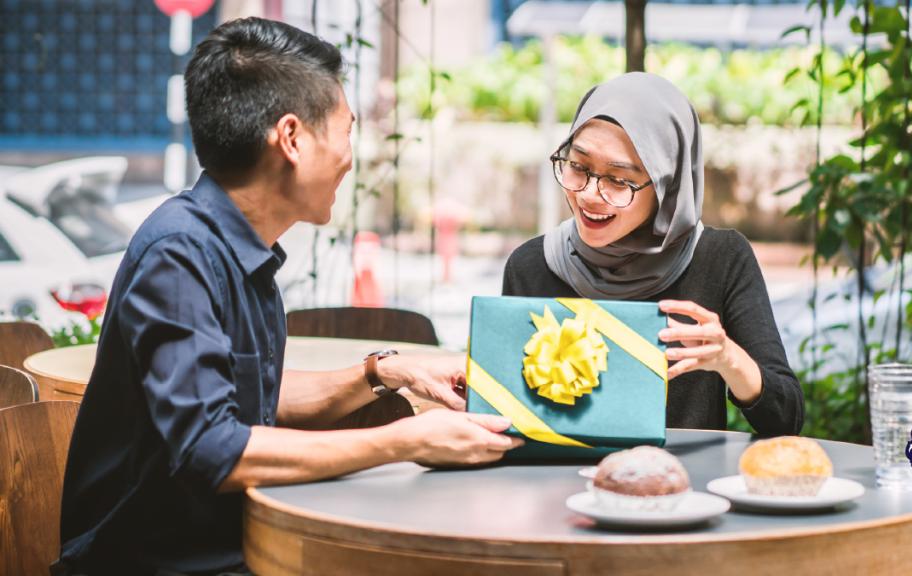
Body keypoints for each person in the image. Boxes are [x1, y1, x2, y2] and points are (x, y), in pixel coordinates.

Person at [58, 17, 522, 575]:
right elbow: (214, 451)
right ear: (293, 138)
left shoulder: (236, 244)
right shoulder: (179, 254)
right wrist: (405, 440)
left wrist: (386, 373)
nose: (351, 157)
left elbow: (249, 397)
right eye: (347, 131)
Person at [503, 72, 803, 436]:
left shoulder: (720, 259)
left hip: (685, 488)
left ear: (667, 184)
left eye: (619, 179)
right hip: (557, 488)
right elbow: (509, 418)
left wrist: (728, 359)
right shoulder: (532, 265)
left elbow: (785, 420)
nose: (589, 195)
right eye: (578, 167)